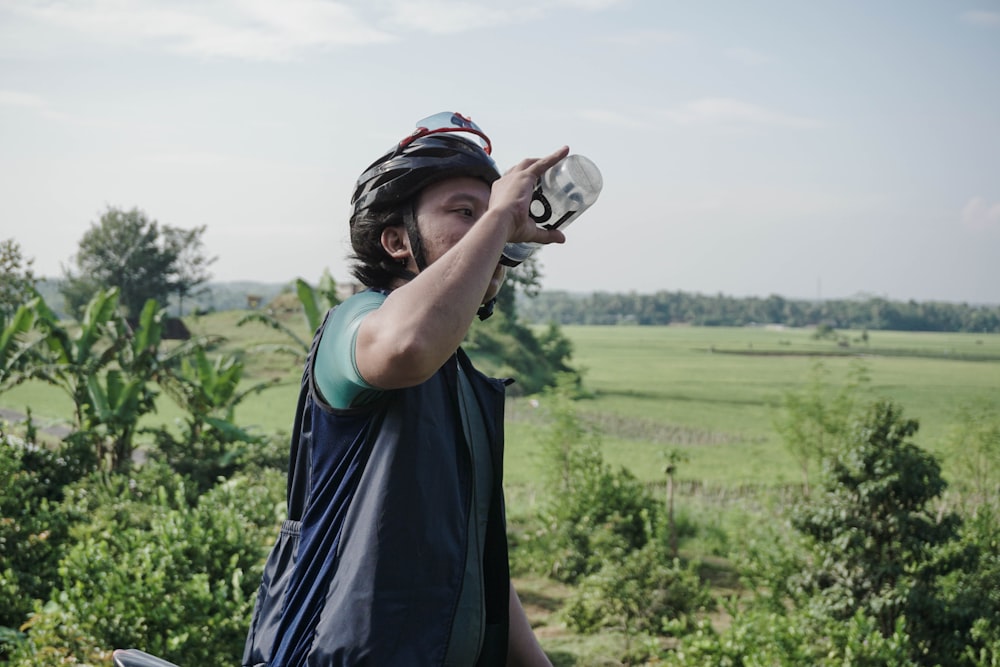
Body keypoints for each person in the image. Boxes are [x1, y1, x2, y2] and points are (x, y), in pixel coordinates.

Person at [242, 112, 569, 666]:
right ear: (396, 240)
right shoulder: (359, 321)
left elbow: (474, 559)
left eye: (489, 214)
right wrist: (497, 220)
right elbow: (404, 346)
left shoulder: (462, 382)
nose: (493, 229)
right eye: (465, 212)